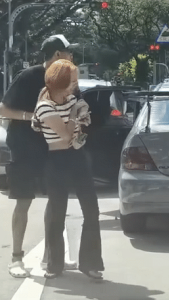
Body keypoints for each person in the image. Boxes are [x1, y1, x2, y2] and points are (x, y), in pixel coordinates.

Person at [0, 34, 78, 278]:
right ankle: (16, 258)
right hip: (24, 149)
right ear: (56, 54)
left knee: (56, 202)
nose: (71, 56)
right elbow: (3, 108)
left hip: (54, 150)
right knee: (23, 201)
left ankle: (52, 258)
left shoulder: (67, 78)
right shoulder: (29, 76)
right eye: (68, 52)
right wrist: (31, 117)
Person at [34, 59, 104, 279]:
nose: (76, 85)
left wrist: (82, 113)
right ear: (59, 83)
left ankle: (91, 264)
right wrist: (75, 112)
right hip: (57, 161)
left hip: (78, 156)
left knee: (92, 210)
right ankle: (54, 265)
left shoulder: (72, 98)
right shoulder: (44, 107)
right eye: (72, 81)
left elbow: (79, 126)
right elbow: (64, 134)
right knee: (57, 213)